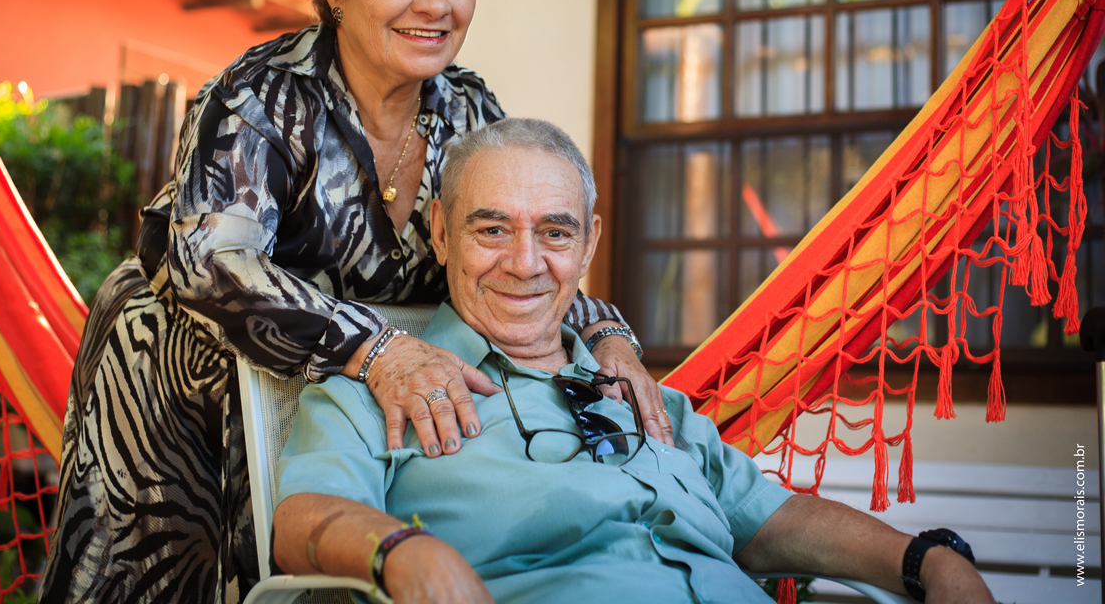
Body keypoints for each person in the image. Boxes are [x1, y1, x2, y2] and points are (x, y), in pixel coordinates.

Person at [38, 0, 666, 604]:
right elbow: (209, 263)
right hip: (181, 380)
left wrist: (606, 335)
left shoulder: (468, 108)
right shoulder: (262, 94)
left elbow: (516, 248)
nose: (434, 4)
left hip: (343, 405)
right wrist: (378, 349)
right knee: (154, 582)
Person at [272, 118, 997, 604]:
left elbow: (770, 519)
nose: (525, 264)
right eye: (491, 229)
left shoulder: (643, 396)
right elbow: (301, 516)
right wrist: (399, 550)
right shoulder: (379, 393)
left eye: (554, 234)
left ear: (588, 243)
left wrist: (928, 558)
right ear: (440, 231)